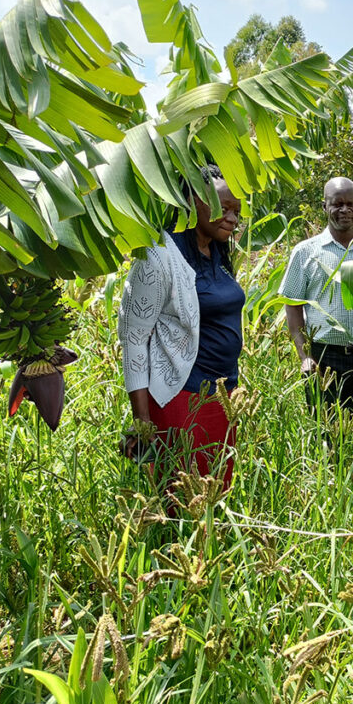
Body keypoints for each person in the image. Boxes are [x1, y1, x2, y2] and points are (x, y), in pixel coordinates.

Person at [118, 164, 244, 485]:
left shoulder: (217, 251)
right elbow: (134, 339)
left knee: (217, 494)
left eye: (236, 212)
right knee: (181, 500)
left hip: (224, 394)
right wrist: (142, 421)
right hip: (180, 399)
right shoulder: (159, 256)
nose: (232, 219)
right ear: (192, 203)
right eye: (224, 209)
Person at [280, 177, 353, 410]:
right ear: (324, 207)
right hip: (323, 358)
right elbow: (292, 305)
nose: (345, 210)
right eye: (337, 204)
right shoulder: (306, 252)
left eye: (351, 204)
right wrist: (304, 356)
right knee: (326, 437)